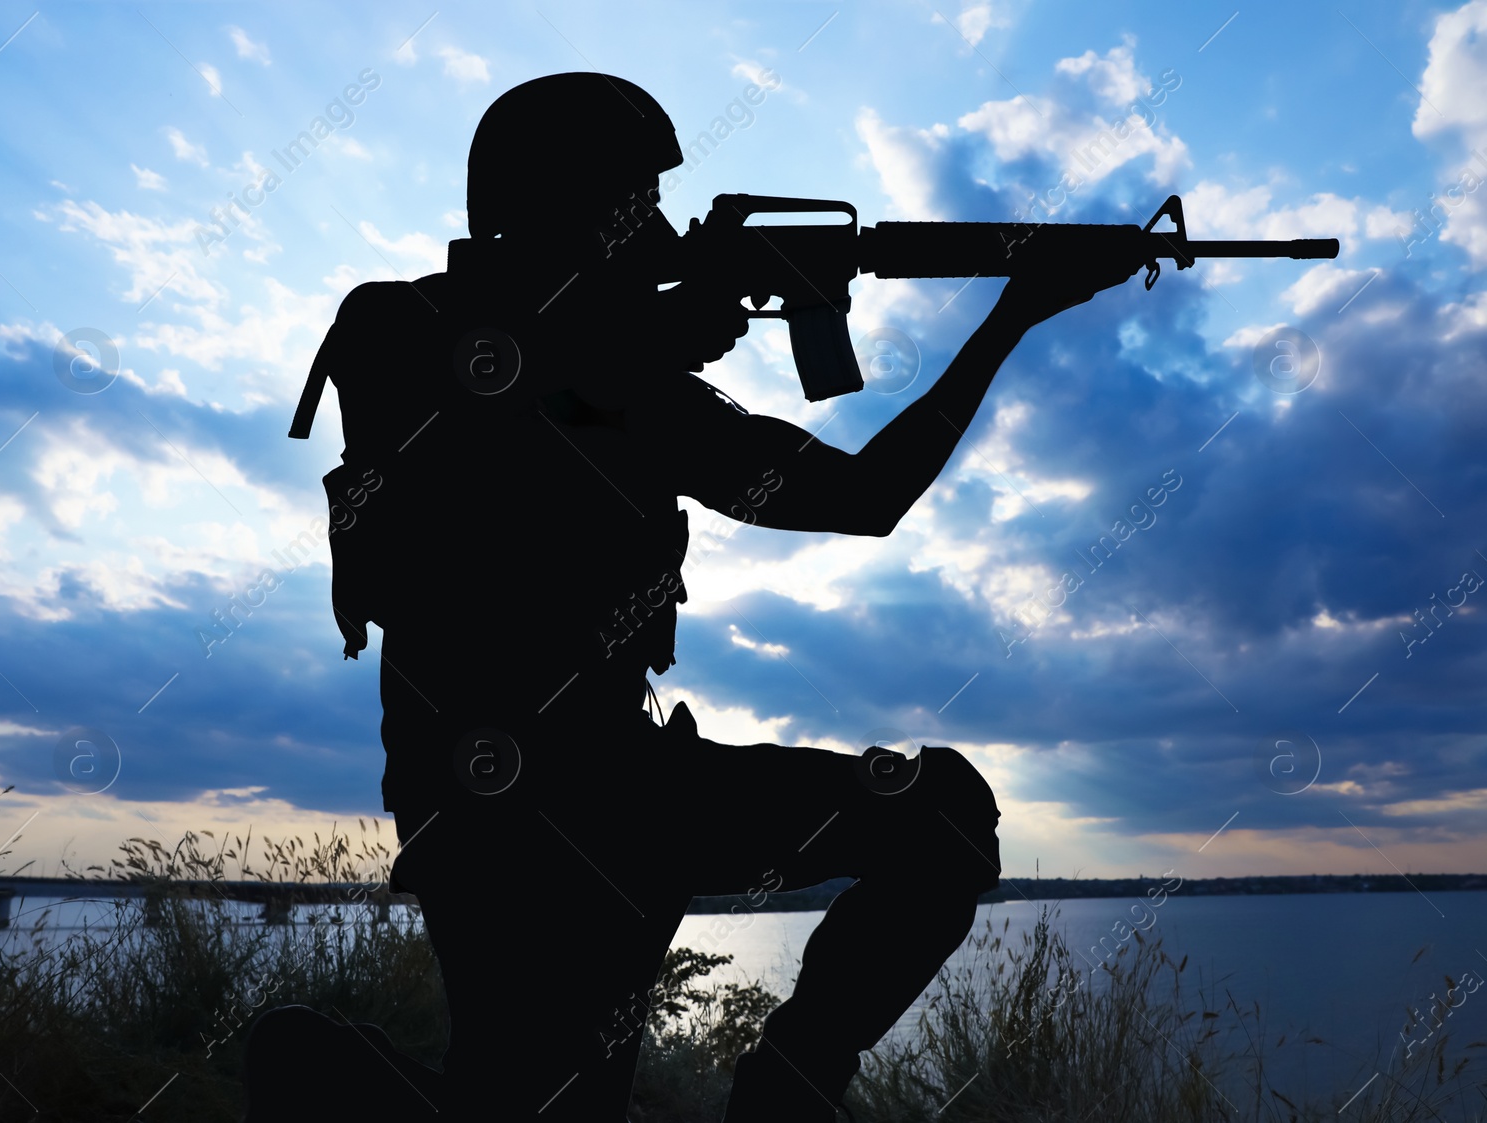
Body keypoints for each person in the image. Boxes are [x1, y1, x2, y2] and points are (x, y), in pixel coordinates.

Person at [290, 71, 1139, 1122]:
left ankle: (785, 1091)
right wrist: (653, 335)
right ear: (553, 204)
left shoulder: (641, 388)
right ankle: (318, 1070)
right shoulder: (401, 327)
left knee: (939, 821)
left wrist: (1012, 312)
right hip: (499, 807)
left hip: (622, 783)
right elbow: (486, 389)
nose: (651, 223)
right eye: (629, 201)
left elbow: (863, 497)